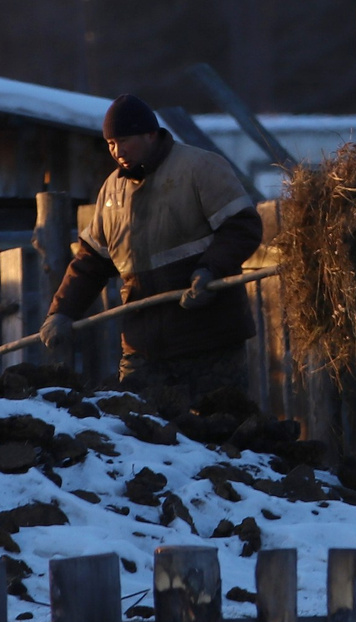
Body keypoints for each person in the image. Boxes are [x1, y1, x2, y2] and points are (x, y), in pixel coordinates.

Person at [41, 94, 264, 413]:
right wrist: (61, 312)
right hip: (143, 349)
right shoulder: (111, 192)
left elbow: (242, 227)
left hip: (210, 342)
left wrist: (209, 271)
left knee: (222, 435)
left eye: (125, 141)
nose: (118, 151)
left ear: (150, 134)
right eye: (111, 144)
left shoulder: (199, 167)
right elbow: (90, 261)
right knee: (142, 437)